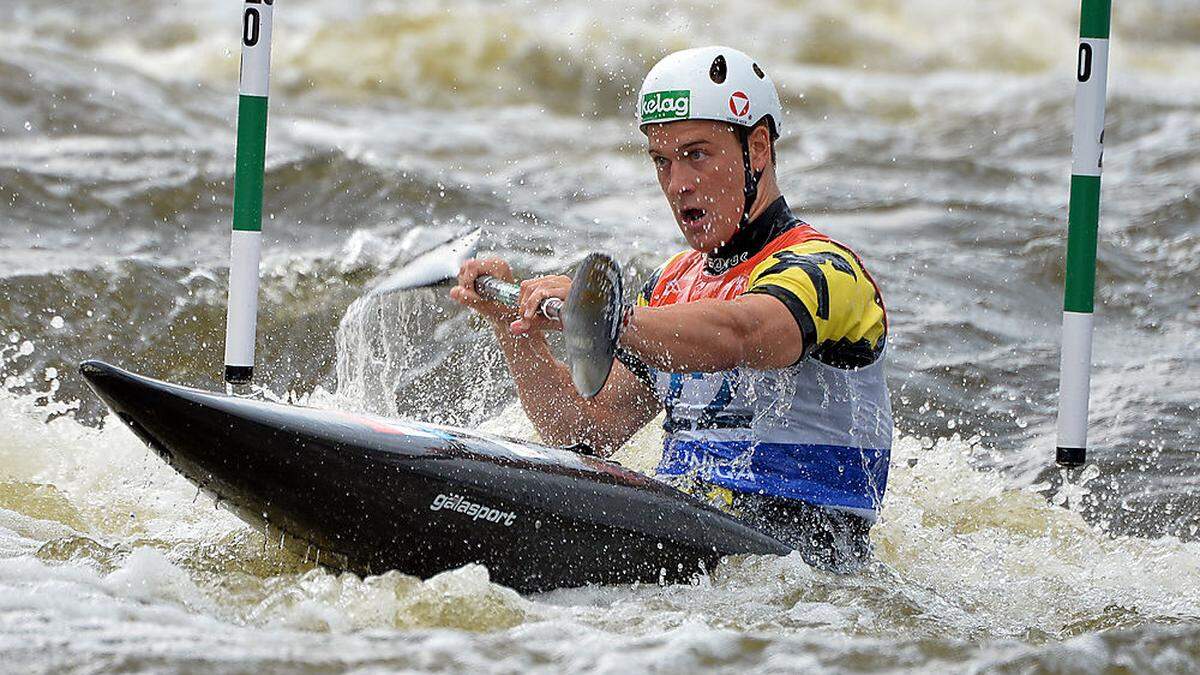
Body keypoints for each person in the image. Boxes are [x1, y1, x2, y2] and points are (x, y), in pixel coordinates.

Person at [450, 46, 891, 572]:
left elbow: (743, 334)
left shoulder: (828, 271)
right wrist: (515, 330)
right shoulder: (671, 284)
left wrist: (610, 317)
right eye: (663, 161)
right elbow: (586, 431)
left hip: (808, 556)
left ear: (757, 148)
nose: (678, 184)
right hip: (688, 534)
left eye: (697, 154)